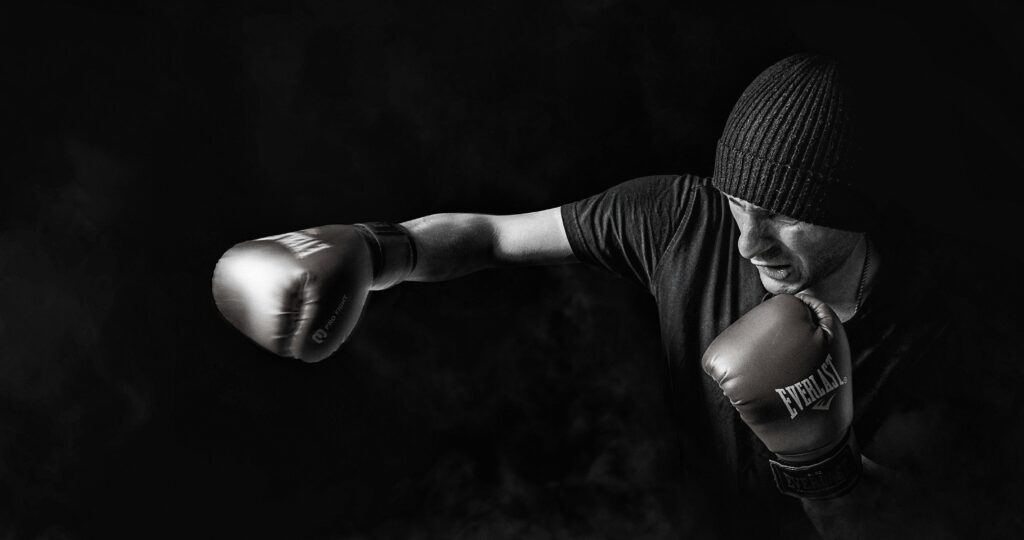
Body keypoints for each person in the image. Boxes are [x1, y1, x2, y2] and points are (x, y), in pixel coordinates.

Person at [212, 54, 1024, 539]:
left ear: (859, 209)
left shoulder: (952, 333)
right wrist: (379, 247)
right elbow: (490, 237)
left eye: (784, 219)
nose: (749, 244)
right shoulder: (680, 217)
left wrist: (820, 463)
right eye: (740, 208)